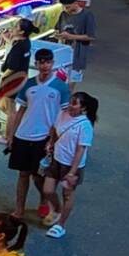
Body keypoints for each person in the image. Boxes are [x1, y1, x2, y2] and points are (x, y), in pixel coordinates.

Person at [6, 48, 69, 219]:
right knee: (23, 174)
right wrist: (11, 135)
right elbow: (20, 111)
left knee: (39, 176)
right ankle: (19, 209)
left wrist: (54, 138)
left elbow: (63, 115)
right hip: (23, 135)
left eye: (48, 62)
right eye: (41, 62)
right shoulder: (28, 84)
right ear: (36, 64)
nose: (45, 65)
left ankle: (43, 202)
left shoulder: (60, 87)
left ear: (53, 64)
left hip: (45, 138)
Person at [39, 90, 96, 238]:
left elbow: (80, 150)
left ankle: (61, 225)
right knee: (48, 190)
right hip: (56, 159)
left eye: (74, 103)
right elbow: (55, 130)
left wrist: (72, 172)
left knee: (68, 194)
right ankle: (57, 209)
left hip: (71, 165)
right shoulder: (62, 114)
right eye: (71, 101)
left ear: (83, 108)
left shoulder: (85, 125)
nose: (70, 105)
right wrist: (50, 143)